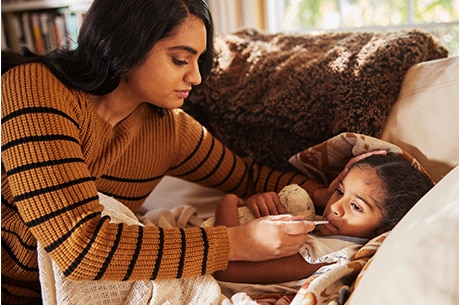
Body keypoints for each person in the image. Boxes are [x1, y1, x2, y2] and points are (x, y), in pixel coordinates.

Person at [1, 0, 326, 303]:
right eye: (180, 60)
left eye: (199, 60)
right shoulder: (34, 89)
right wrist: (239, 243)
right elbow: (81, 247)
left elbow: (248, 176)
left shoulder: (168, 129)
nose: (195, 77)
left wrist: (330, 192)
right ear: (126, 43)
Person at [212, 153, 434, 284]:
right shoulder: (320, 225)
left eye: (356, 206)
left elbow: (225, 270)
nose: (336, 206)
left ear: (380, 231)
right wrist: (253, 205)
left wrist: (228, 202)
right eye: (339, 191)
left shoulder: (322, 254)